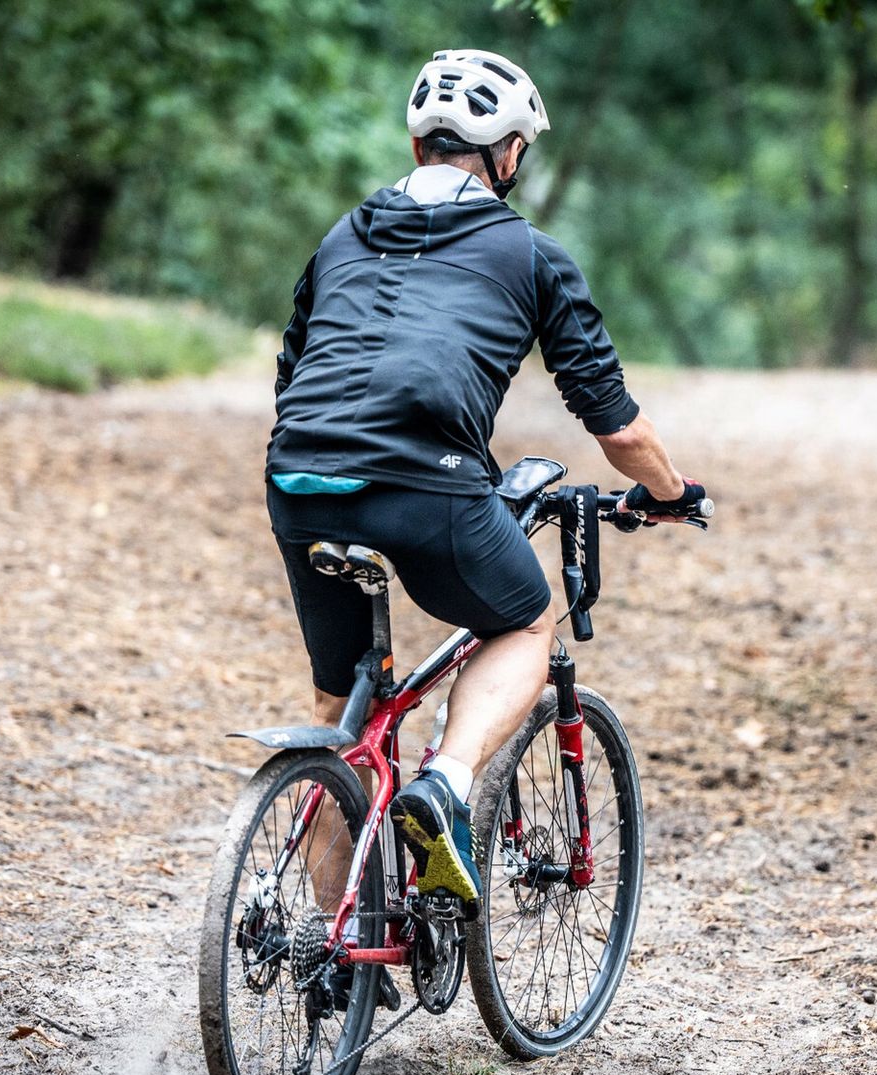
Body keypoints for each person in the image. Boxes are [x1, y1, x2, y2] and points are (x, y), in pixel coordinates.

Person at [265, 48, 707, 914]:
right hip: (423, 481)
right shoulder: (531, 253)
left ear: (420, 142)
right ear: (507, 152)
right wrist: (667, 492)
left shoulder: (343, 234)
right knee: (523, 619)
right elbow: (615, 424)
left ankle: (331, 947)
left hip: (298, 475)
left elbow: (294, 374)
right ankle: (447, 785)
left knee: (340, 705)